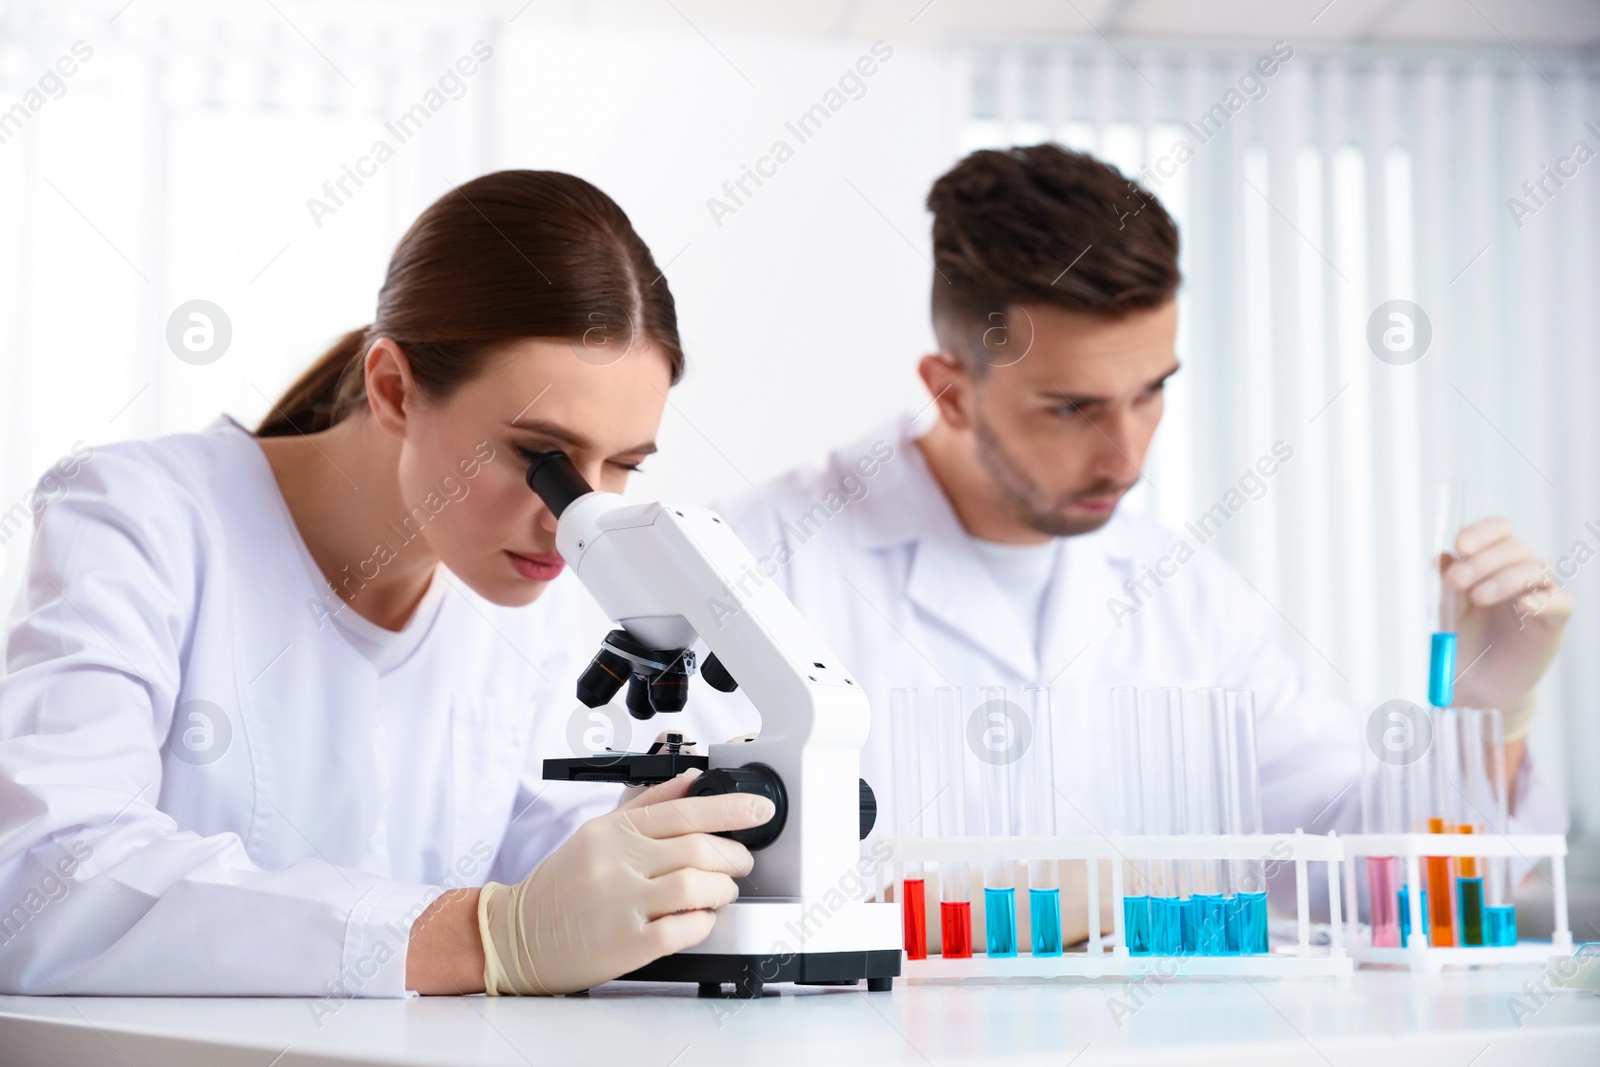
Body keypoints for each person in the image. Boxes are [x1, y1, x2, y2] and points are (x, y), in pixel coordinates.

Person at [706, 145, 1571, 926]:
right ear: (953, 391)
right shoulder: (762, 562)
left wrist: (1489, 709)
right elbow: (686, 889)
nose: (1127, 456)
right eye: (1073, 407)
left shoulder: (1184, 592)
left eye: (1151, 390)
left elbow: (1376, 878)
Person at [0, 171, 774, 998]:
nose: (574, 520)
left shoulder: (521, 595)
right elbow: (40, 882)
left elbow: (559, 866)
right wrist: (483, 936)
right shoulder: (141, 518)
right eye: (539, 459)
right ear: (395, 389)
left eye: (620, 466)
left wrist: (685, 865)